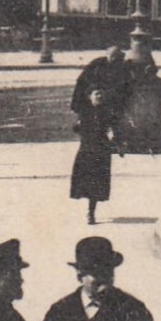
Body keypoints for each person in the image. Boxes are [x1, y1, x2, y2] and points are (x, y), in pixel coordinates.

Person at [36, 236, 161, 321]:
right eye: (96, 273)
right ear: (79, 274)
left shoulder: (132, 309)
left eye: (108, 272)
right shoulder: (61, 310)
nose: (104, 279)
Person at [70, 85, 114, 226]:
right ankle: (90, 211)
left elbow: (113, 128)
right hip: (87, 151)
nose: (99, 97)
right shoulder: (85, 112)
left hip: (102, 152)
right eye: (96, 94)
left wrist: (113, 137)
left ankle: (91, 212)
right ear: (90, 97)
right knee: (87, 182)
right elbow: (76, 128)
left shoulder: (107, 111)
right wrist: (79, 125)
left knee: (97, 184)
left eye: (101, 94)